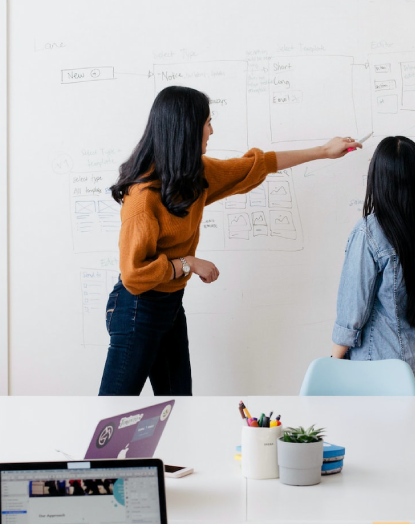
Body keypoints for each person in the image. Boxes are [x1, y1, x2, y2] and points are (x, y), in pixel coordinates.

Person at [100, 85, 361, 395]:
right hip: (135, 309)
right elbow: (133, 275)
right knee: (114, 412)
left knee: (179, 407)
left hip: (169, 306)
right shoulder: (142, 200)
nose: (211, 130)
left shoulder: (193, 176)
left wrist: (323, 151)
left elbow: (257, 165)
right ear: (186, 129)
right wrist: (188, 263)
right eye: (207, 122)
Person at [330, 135, 415, 395]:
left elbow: (353, 312)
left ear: (380, 177)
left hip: (379, 373)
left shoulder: (369, 233)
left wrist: (333, 363)